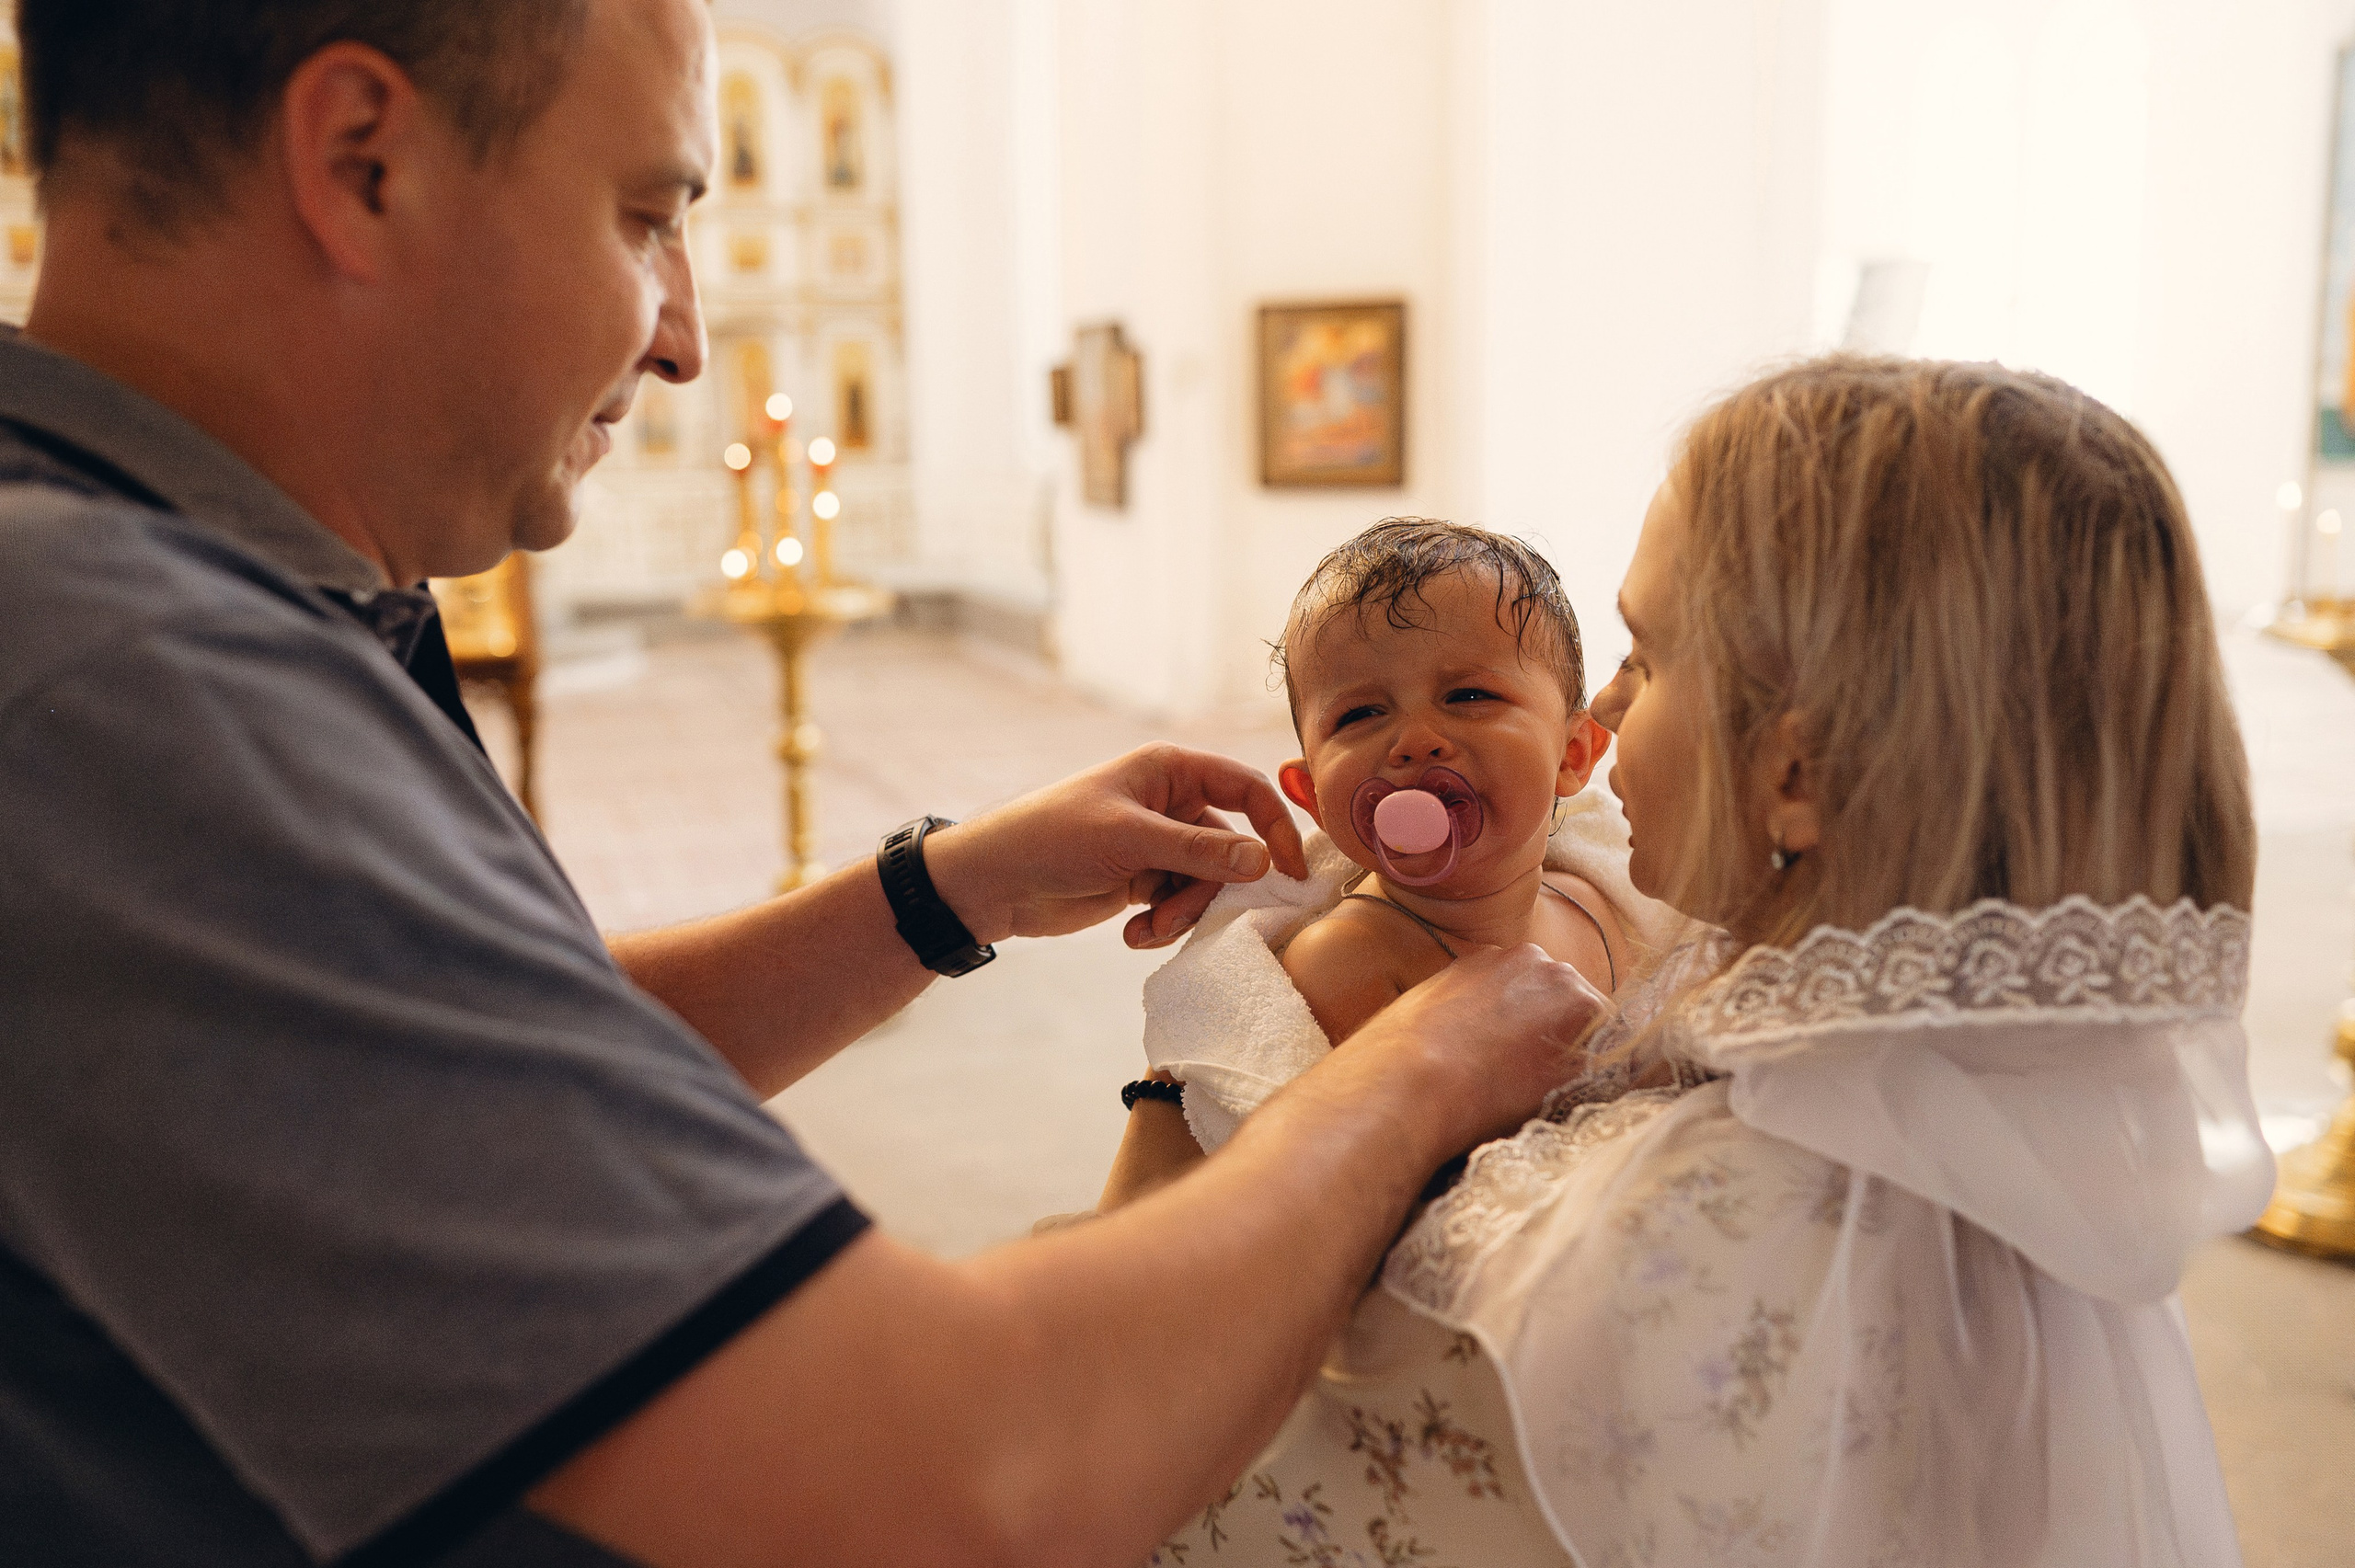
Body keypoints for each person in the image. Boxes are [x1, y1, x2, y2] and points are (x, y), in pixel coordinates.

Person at [0, 4, 1608, 1564]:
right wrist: (1422, 1068)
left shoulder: (184, 592)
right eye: (647, 218)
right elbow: (964, 1484)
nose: (685, 337)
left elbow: (444, 1069)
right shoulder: (128, 689)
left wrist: (942, 891)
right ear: (365, 162)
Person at [1146, 358, 2276, 1566]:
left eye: (1646, 654)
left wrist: (1168, 1106)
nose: (1607, 703)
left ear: (1795, 773)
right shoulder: (2009, 1115)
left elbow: (1199, 1472)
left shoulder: (1666, 1253)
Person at [1097, 519, 1669, 1207]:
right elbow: (1335, 1194)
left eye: (1469, 696)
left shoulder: (1599, 900)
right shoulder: (1348, 963)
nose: (1416, 740)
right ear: (1312, 795)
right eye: (1361, 714)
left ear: (1573, 755)